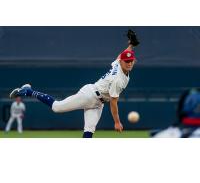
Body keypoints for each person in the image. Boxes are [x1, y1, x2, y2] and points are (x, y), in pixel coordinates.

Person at [9, 30, 140, 138]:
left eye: (131, 61)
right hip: (89, 95)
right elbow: (113, 102)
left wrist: (130, 45)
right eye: (126, 61)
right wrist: (117, 122)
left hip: (98, 103)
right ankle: (28, 91)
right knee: (57, 107)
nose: (129, 63)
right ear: (122, 62)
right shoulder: (118, 79)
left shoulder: (119, 63)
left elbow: (121, 56)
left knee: (89, 131)